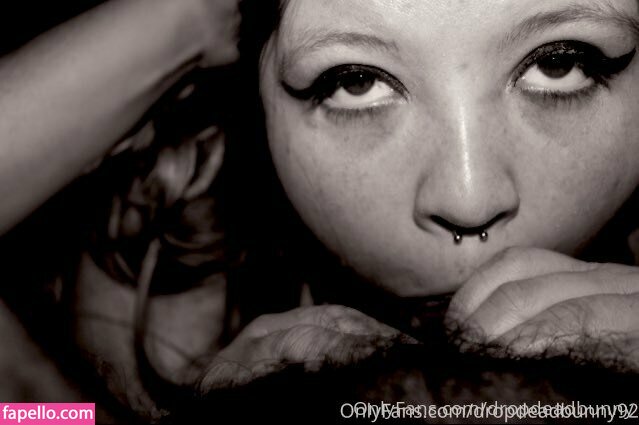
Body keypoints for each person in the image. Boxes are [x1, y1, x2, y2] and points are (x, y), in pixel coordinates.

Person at [1, 0, 639, 421]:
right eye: (356, 80)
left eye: (560, 64)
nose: (467, 198)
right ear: (254, 98)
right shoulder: (168, 268)